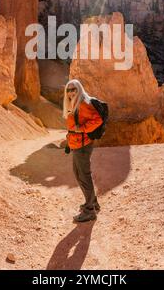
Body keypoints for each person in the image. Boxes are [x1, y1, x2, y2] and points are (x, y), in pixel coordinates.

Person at [63, 79, 103, 223]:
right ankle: (93, 203)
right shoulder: (74, 104)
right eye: (68, 90)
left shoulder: (83, 104)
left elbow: (97, 120)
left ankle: (89, 211)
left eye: (74, 89)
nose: (71, 92)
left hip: (83, 145)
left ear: (79, 89)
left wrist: (82, 129)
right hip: (76, 144)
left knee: (83, 175)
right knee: (79, 173)